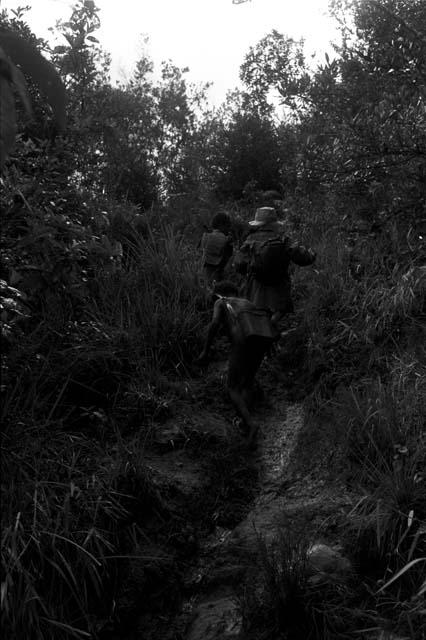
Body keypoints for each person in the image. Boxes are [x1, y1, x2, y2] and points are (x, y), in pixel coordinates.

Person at [196, 280, 275, 447]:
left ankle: (251, 424)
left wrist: (205, 350)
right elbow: (265, 322)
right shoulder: (247, 302)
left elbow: (215, 323)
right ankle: (245, 421)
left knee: (232, 386)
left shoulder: (221, 301)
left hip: (242, 340)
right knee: (247, 382)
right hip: (261, 340)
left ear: (219, 293)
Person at [233, 207, 316, 327]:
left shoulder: (250, 240)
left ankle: (260, 330)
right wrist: (312, 255)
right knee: (282, 310)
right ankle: (270, 326)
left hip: (256, 285)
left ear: (259, 223)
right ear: (274, 223)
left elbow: (239, 264)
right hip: (279, 285)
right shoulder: (283, 239)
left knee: (257, 312)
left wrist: (248, 270)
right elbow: (302, 258)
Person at [200, 213, 233, 286]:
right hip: (216, 273)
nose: (229, 228)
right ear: (221, 225)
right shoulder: (222, 237)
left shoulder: (206, 235)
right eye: (227, 226)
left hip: (206, 271)